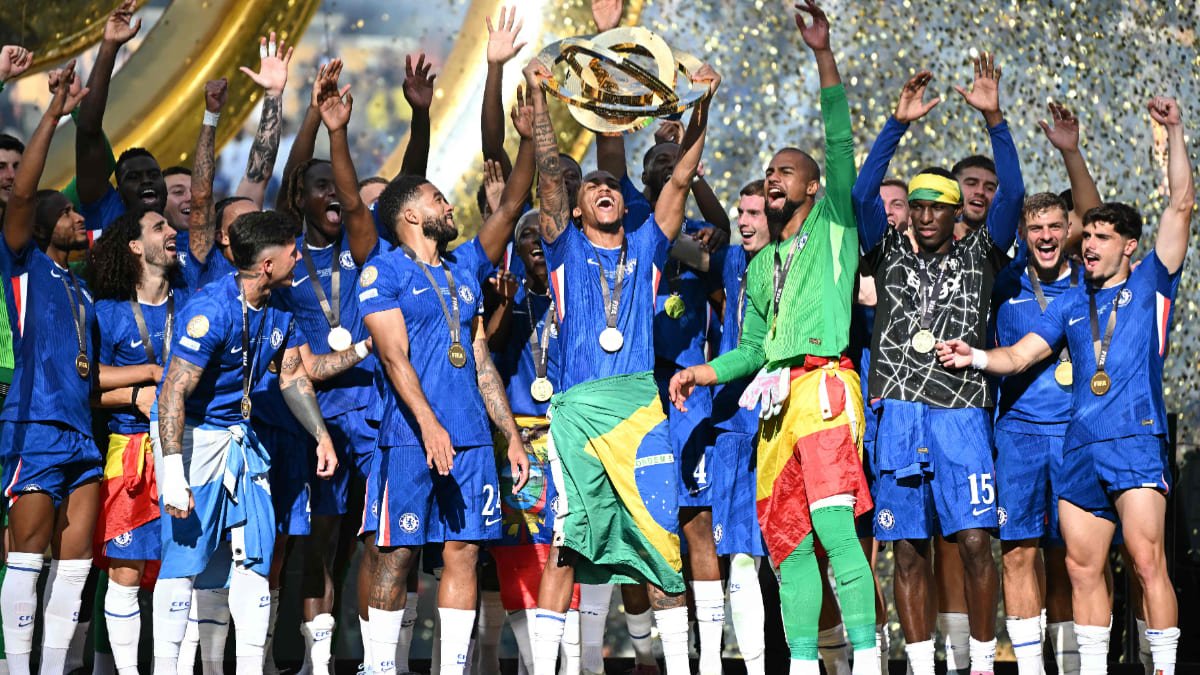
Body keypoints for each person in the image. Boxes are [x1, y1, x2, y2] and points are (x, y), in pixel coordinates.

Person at [937, 95, 1193, 675]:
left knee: (1147, 561)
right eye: (1089, 236)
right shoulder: (1073, 303)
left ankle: (1164, 666)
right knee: (1080, 568)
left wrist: (1175, 130)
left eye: (1098, 236)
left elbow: (1181, 203)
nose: (1090, 244)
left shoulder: (1153, 281)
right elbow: (1020, 355)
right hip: (1079, 446)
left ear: (1127, 245)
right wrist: (975, 356)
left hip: (1134, 439)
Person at [670, 5, 879, 673]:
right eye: (768, 172)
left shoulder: (835, 223)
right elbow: (755, 349)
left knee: (835, 530)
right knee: (788, 545)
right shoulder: (760, 266)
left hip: (825, 388)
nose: (773, 177)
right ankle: (805, 664)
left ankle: (868, 660)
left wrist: (823, 54)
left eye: (786, 171)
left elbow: (840, 142)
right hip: (775, 407)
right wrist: (704, 373)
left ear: (813, 187)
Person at [524, 30, 719, 669]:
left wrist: (702, 105)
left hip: (639, 407)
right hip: (578, 411)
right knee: (567, 545)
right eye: (592, 188)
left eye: (612, 185)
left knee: (660, 539)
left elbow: (682, 176)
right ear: (576, 209)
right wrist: (539, 96)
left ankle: (680, 664)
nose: (604, 189)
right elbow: (548, 172)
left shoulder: (650, 245)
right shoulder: (562, 245)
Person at [851, 62, 1022, 675]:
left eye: (935, 209)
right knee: (906, 552)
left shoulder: (981, 255)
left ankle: (982, 662)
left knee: (975, 542)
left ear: (956, 213)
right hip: (899, 411)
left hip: (962, 411)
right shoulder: (889, 252)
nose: (923, 217)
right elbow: (862, 196)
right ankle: (922, 666)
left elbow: (1014, 196)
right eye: (917, 208)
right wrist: (895, 126)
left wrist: (994, 119)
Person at [357, 89, 534, 673]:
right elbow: (393, 359)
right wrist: (430, 425)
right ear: (412, 214)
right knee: (398, 554)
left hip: (472, 438)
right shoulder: (382, 271)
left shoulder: (465, 268)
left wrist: (509, 434)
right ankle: (381, 667)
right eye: (438, 198)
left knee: (465, 550)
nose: (449, 204)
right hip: (410, 438)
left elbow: (481, 359)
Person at [150, 210, 338, 675]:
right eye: (293, 252)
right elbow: (172, 392)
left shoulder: (281, 307)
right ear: (268, 265)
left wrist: (321, 435)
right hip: (192, 437)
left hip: (241, 438)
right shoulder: (211, 309)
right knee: (184, 561)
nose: (300, 258)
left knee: (257, 557)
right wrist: (172, 473)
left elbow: (292, 377)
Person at [0, 62, 95, 675]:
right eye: (65, 212)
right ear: (39, 226)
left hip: (81, 432)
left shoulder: (81, 287)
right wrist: (55, 114)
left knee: (75, 564)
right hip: (33, 423)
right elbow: (23, 194)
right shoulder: (23, 263)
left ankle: (55, 668)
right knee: (27, 558)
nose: (77, 217)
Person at [87, 207, 190, 675]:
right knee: (125, 571)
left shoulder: (192, 306)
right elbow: (87, 384)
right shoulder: (107, 312)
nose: (171, 231)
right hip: (129, 453)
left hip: (187, 450)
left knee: (181, 572)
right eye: (159, 227)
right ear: (134, 246)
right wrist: (140, 386)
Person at [705, 180, 772, 675]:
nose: (745, 223)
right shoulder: (731, 261)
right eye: (741, 213)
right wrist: (693, 176)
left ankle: (833, 661)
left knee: (798, 559)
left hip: (783, 422)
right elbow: (672, 237)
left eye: (755, 214)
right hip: (733, 424)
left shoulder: (798, 263)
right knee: (741, 558)